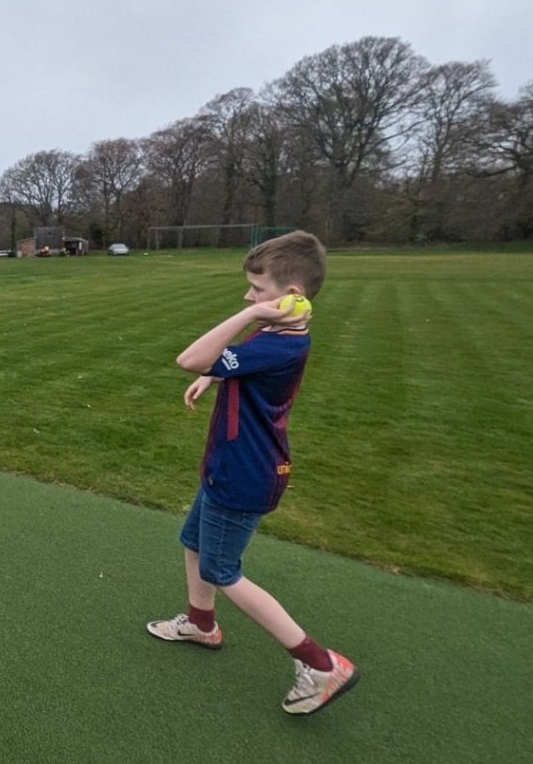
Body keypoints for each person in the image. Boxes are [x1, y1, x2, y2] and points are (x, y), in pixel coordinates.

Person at [146, 230, 359, 715]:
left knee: (222, 570)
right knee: (194, 540)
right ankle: (201, 624)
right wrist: (213, 375)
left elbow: (189, 358)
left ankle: (321, 664)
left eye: (257, 290)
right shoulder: (279, 336)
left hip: (245, 473)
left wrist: (246, 318)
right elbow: (224, 362)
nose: (248, 297)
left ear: (291, 297)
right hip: (231, 464)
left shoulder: (277, 344)